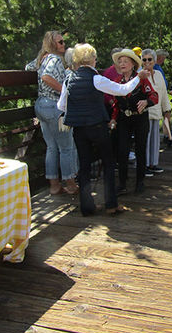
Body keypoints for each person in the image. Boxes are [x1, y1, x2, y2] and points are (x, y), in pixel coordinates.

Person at [57, 43, 150, 216]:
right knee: (108, 163)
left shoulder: (69, 79)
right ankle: (110, 204)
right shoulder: (96, 79)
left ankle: (87, 207)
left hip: (79, 129)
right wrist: (139, 77)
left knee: (84, 167)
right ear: (93, 59)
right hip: (97, 126)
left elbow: (61, 105)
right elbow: (123, 90)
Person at [26, 31, 79, 195]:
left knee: (51, 147)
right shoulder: (55, 59)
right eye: (60, 42)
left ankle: (54, 185)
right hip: (54, 107)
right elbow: (46, 77)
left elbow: (28, 67)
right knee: (66, 147)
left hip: (41, 105)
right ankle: (71, 184)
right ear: (52, 44)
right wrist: (64, 91)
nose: (63, 44)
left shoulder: (43, 58)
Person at [111, 49, 158, 195]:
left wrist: (146, 101)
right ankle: (123, 183)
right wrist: (113, 118)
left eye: (125, 61)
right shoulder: (117, 82)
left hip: (140, 118)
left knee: (140, 149)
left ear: (132, 64)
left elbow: (154, 95)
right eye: (120, 61)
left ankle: (140, 182)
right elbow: (116, 104)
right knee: (122, 150)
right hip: (124, 119)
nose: (122, 64)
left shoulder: (141, 79)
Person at [141, 49, 171, 175]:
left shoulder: (158, 74)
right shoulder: (139, 74)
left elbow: (163, 93)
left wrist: (167, 110)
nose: (147, 62)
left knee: (155, 139)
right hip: (144, 113)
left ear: (154, 61)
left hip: (157, 112)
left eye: (150, 59)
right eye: (144, 59)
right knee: (145, 140)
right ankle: (144, 165)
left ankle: (153, 163)